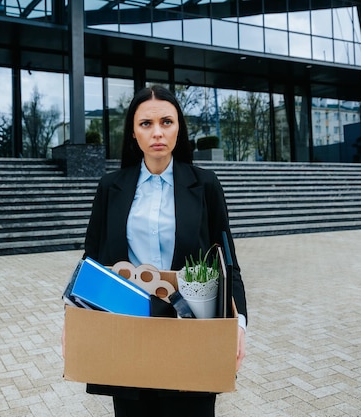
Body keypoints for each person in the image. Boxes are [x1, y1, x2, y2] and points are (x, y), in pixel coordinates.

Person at [82, 85, 247, 417]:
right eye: (146, 124)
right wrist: (75, 321)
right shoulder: (110, 188)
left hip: (192, 330)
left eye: (166, 122)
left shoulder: (206, 185)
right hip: (128, 328)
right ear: (133, 131)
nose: (157, 132)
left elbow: (228, 261)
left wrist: (238, 323)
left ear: (178, 128)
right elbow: (92, 261)